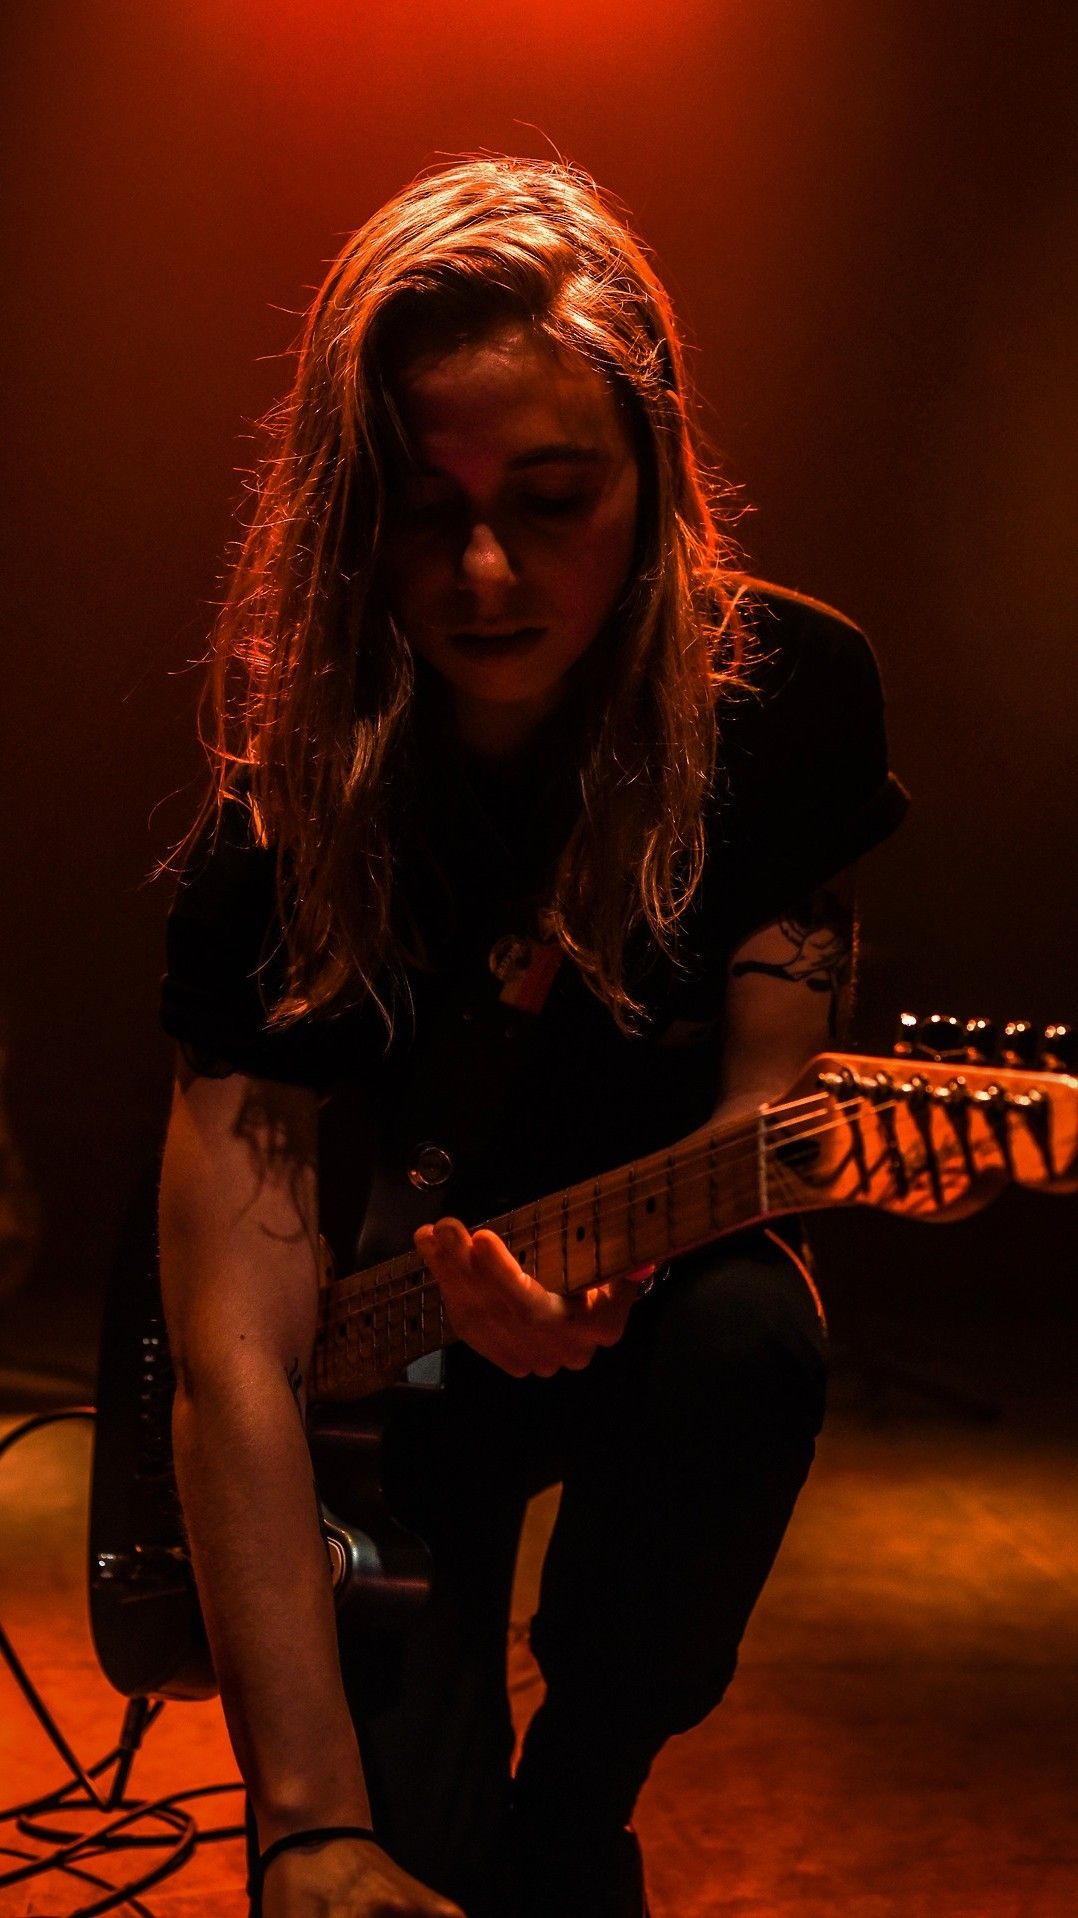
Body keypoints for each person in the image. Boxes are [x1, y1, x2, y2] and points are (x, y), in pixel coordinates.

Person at [157, 156, 908, 1918]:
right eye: (424, 511)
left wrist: (625, 1277)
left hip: (648, 1296)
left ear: (653, 487)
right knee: (394, 1867)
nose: (485, 568)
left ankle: (582, 1818)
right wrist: (307, 1829)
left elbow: (766, 1129)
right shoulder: (277, 825)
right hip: (386, 1381)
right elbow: (233, 1354)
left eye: (553, 497)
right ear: (350, 522)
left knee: (747, 1337)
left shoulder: (783, 704)